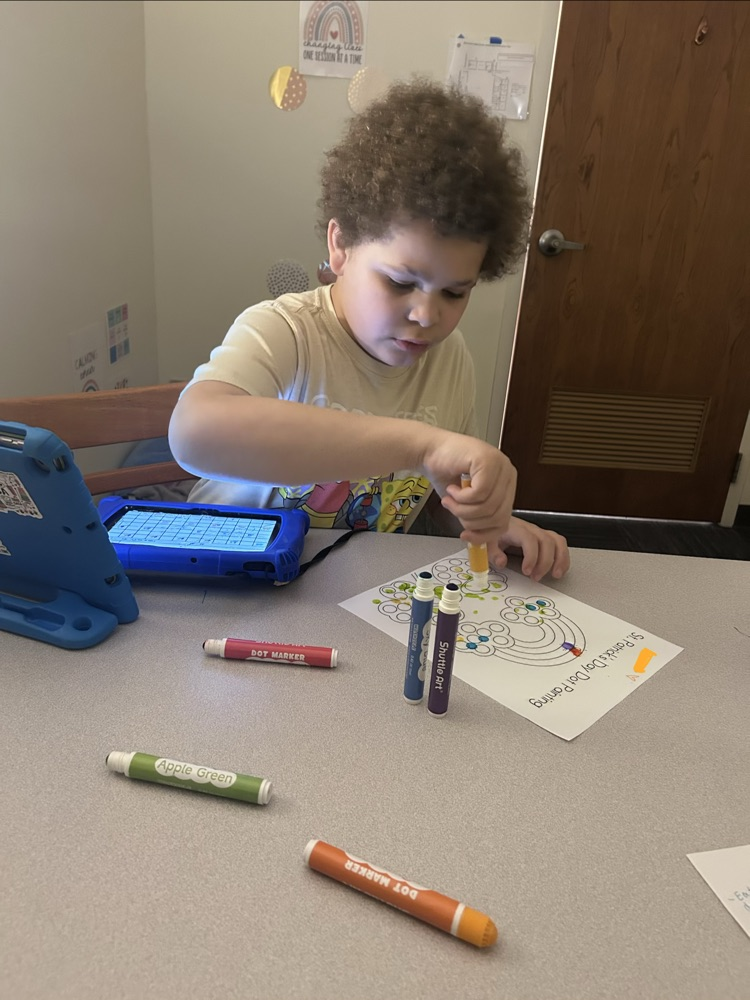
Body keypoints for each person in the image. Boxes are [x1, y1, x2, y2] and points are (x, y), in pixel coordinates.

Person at [169, 77, 569, 582]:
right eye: (401, 282)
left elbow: (440, 492)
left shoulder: (449, 358)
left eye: (454, 292)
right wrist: (420, 444)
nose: (427, 315)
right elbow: (193, 434)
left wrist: (488, 521)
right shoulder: (284, 331)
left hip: (349, 588)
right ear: (341, 246)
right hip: (223, 577)